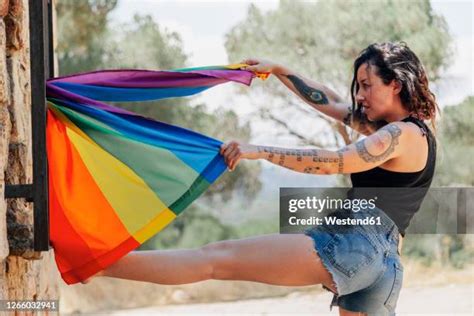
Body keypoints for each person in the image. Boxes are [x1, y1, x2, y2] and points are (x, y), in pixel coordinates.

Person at [88, 42, 438, 316]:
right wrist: (281, 70)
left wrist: (260, 151)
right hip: (385, 265)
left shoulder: (399, 135)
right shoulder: (415, 133)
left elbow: (336, 161)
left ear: (394, 84)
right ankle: (101, 266)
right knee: (216, 260)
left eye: (366, 85)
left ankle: (98, 265)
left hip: (357, 244)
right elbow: (329, 101)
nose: (359, 96)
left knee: (216, 259)